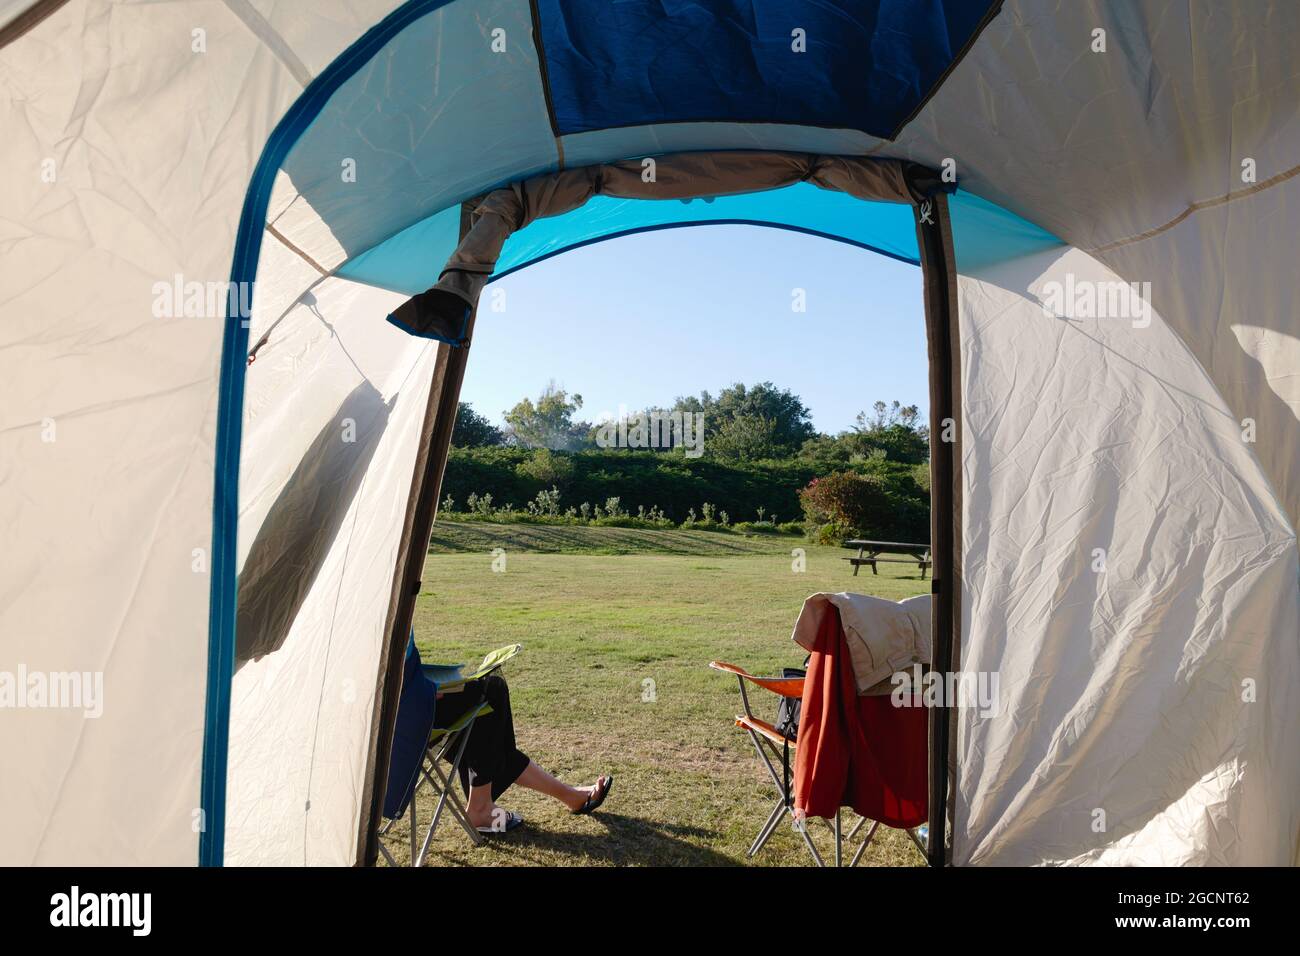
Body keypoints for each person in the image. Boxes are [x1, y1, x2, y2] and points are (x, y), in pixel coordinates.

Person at [434, 673, 612, 834]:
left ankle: (570, 796)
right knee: (491, 689)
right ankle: (480, 807)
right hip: (414, 716)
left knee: (488, 697)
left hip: (416, 710)